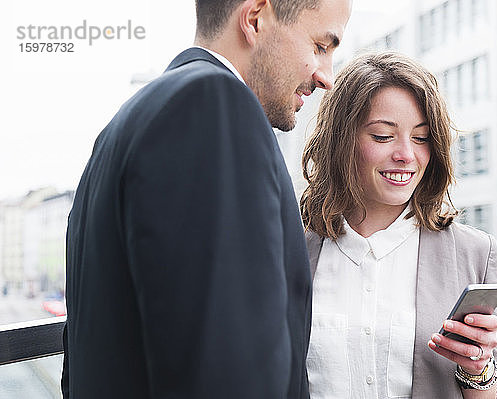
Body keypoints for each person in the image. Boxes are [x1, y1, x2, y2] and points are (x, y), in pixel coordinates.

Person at [61, 0, 351, 397]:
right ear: (255, 18)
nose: (326, 77)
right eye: (320, 45)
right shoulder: (214, 104)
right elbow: (229, 374)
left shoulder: (121, 129)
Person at [301, 52, 497, 399]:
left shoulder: (477, 254)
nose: (406, 155)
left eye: (421, 137)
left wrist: (477, 371)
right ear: (341, 142)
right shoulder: (293, 250)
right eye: (383, 136)